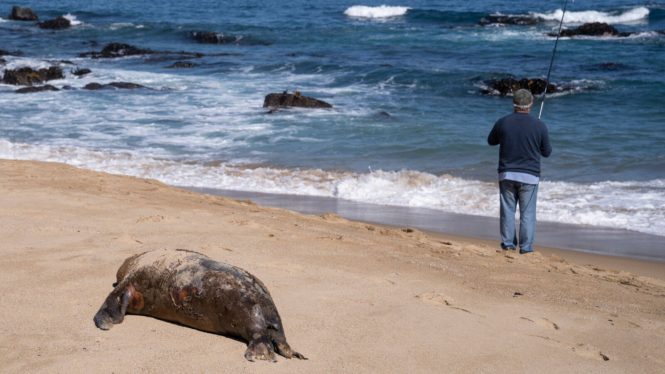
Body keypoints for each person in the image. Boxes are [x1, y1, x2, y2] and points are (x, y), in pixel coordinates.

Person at [487, 89, 552, 254]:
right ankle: (526, 247)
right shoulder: (539, 125)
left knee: (507, 210)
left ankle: (508, 244)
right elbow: (547, 152)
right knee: (527, 213)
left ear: (514, 104)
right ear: (530, 104)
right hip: (529, 176)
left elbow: (491, 141)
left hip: (507, 174)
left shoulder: (503, 122)